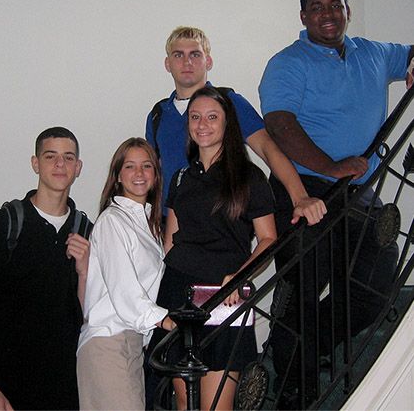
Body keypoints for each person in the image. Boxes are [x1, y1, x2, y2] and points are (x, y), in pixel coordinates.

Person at [258, 0, 414, 409]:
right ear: (303, 16)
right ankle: (294, 387)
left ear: (347, 10)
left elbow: (411, 54)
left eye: (335, 5)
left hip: (358, 193)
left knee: (378, 286)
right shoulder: (288, 63)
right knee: (301, 290)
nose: (328, 14)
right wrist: (329, 166)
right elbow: (280, 124)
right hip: (304, 190)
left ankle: (313, 348)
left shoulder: (375, 53)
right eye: (317, 7)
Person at [148, 86, 277, 410]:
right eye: (195, 117)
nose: (202, 124)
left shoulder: (250, 177)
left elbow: (268, 239)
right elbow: (170, 244)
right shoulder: (179, 178)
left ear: (227, 123)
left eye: (211, 117)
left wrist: (238, 278)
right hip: (177, 294)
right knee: (182, 400)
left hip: (224, 294)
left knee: (216, 404)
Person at [145, 26, 326, 226]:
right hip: (170, 225)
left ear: (209, 61)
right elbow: (153, 173)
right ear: (167, 63)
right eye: (178, 55)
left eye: (195, 54)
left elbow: (268, 148)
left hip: (222, 225)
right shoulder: (158, 115)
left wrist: (300, 197)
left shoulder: (229, 103)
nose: (187, 61)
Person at [0, 127, 91, 410]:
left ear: (78, 167)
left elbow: (85, 318)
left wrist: (84, 271)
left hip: (61, 390)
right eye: (51, 156)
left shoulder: (86, 231)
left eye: (68, 157)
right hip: (3, 387)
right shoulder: (3, 224)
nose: (60, 164)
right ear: (35, 163)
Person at [77, 138, 176, 411]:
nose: (139, 173)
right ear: (118, 176)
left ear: (156, 176)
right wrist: (165, 321)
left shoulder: (149, 227)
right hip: (108, 342)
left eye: (146, 166)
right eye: (130, 166)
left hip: (132, 344)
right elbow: (124, 290)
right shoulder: (113, 220)